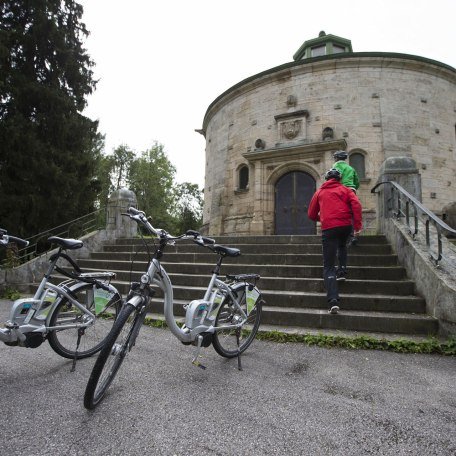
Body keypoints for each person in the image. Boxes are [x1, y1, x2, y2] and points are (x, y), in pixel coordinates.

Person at [307, 168, 362, 314]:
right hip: (345, 225)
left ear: (327, 179)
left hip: (329, 228)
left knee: (328, 265)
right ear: (339, 179)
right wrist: (357, 227)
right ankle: (342, 270)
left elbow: (311, 214)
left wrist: (323, 218)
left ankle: (333, 301)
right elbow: (356, 205)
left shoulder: (319, 192)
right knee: (342, 245)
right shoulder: (346, 190)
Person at [333, 150, 360, 245]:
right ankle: (353, 236)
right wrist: (353, 189)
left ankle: (340, 234)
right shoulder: (351, 168)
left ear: (336, 158)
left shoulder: (336, 166)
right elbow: (357, 182)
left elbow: (334, 178)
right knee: (352, 212)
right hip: (351, 191)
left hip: (340, 191)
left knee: (339, 211)